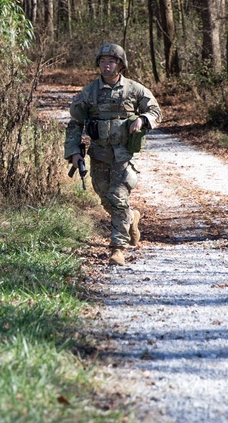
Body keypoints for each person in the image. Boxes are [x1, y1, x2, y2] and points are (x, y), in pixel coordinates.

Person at [64, 43, 162, 265]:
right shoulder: (89, 92)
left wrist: (143, 119)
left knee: (118, 197)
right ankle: (132, 218)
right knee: (105, 197)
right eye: (102, 61)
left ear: (120, 65)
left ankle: (118, 248)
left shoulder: (134, 90)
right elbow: (75, 123)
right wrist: (74, 153)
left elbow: (155, 110)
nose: (106, 66)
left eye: (111, 61)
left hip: (124, 154)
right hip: (99, 154)